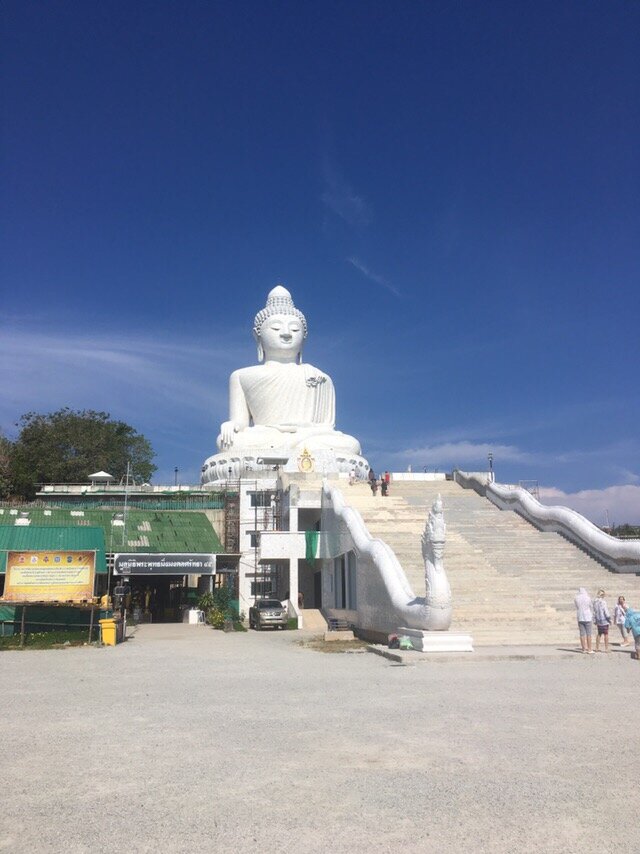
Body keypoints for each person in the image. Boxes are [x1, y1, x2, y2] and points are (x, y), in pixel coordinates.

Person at [574, 587, 594, 654]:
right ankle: (590, 649)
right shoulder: (588, 597)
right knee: (589, 634)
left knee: (582, 634)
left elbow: (577, 606)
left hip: (580, 616)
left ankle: (583, 649)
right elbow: (591, 606)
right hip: (587, 616)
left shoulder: (576, 598)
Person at [593, 588, 611, 653]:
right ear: (603, 595)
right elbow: (605, 611)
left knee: (599, 634)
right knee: (606, 634)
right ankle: (606, 649)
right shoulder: (603, 602)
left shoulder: (595, 602)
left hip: (598, 620)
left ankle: (597, 648)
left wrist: (594, 620)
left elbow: (594, 612)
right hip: (604, 620)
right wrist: (609, 618)